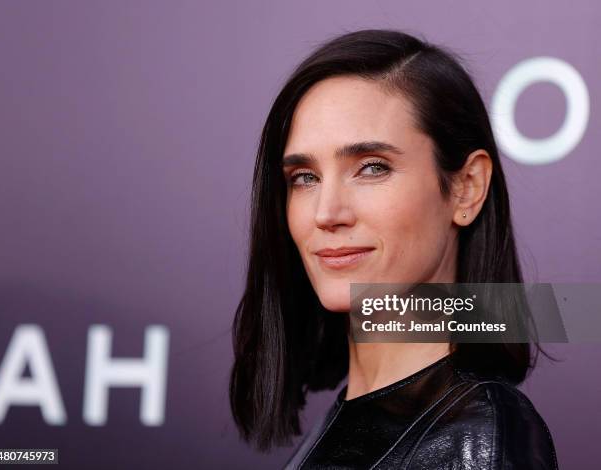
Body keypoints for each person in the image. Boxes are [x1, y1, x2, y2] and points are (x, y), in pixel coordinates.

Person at [229, 29, 558, 469]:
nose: (327, 213)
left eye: (371, 168)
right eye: (304, 177)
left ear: (467, 189)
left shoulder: (475, 435)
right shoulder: (342, 420)